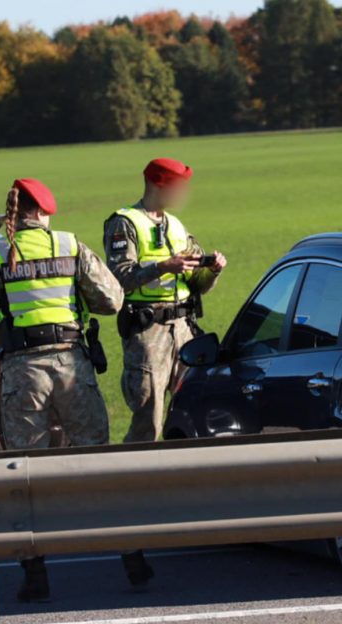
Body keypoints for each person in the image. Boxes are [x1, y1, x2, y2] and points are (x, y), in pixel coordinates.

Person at [0, 178, 124, 603]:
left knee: (23, 473)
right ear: (45, 212)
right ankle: (132, 556)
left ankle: (35, 575)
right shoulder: (69, 245)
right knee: (99, 460)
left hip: (22, 372)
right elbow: (111, 300)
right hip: (72, 367)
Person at [103, 158, 226, 584]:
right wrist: (164, 266)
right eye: (178, 186)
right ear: (159, 183)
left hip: (183, 329)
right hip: (149, 334)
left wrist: (212, 272)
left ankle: (186, 516)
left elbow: (195, 284)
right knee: (148, 424)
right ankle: (131, 533)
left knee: (194, 415)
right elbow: (120, 277)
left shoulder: (175, 225)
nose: (182, 195)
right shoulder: (124, 223)